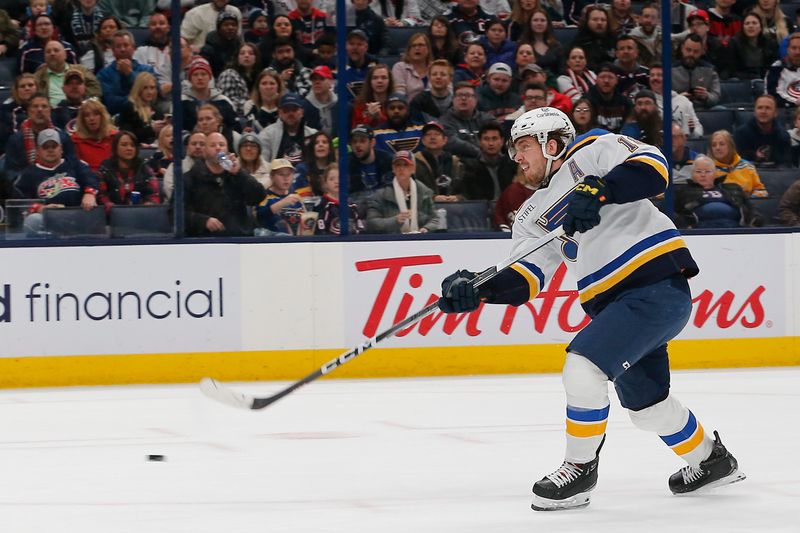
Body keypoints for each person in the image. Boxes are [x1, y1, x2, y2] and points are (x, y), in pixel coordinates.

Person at [437, 106, 745, 511]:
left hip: (655, 286)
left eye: (524, 147)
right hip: (616, 309)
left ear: (551, 143)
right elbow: (526, 277)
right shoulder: (530, 216)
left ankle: (579, 468)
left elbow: (655, 168)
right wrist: (478, 290)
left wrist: (601, 190)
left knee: (582, 367)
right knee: (647, 409)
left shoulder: (592, 150)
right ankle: (710, 460)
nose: (518, 157)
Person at [13, 128, 98, 233]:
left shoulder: (75, 165)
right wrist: (40, 208)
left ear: (61, 149)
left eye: (54, 146)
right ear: (38, 151)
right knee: (33, 220)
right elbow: (20, 199)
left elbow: (91, 179)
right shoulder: (29, 174)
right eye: (45, 147)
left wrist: (89, 193)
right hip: (47, 223)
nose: (50, 150)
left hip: (79, 217)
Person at [183, 131, 266, 237]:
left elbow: (259, 196)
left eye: (221, 145)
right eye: (213, 145)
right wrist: (203, 221)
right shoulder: (190, 178)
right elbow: (175, 213)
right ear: (204, 151)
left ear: (227, 150)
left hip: (239, 238)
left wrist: (239, 173)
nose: (218, 148)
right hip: (204, 239)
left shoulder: (237, 176)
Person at [673, 154, 762, 229]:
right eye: (698, 171)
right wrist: (684, 224)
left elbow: (751, 208)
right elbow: (673, 213)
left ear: (715, 174)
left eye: (707, 171)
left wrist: (755, 220)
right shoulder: (683, 192)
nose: (703, 175)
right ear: (692, 175)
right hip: (699, 230)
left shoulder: (733, 188)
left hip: (735, 229)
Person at [365, 150, 439, 233]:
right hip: (392, 239)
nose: (401, 168)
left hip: (419, 238)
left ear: (413, 169)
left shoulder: (424, 193)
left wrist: (426, 228)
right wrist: (395, 221)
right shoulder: (380, 195)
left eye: (406, 165)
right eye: (398, 165)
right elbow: (371, 224)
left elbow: (435, 219)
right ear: (393, 169)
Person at [96, 130, 160, 213]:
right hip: (112, 215)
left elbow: (153, 194)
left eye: (132, 145)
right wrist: (112, 209)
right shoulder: (105, 168)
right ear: (115, 148)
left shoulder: (144, 167)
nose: (129, 148)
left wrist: (147, 207)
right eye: (124, 145)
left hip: (141, 214)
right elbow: (101, 195)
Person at [96, 30, 158, 116]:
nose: (122, 49)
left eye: (126, 45)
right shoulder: (103, 74)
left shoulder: (147, 70)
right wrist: (139, 99)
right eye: (118, 46)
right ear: (113, 50)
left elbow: (153, 98)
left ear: (133, 48)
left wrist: (129, 74)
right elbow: (110, 103)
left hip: (146, 114)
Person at [460, 121, 516, 201]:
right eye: (486, 139)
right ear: (479, 142)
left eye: (494, 138)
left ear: (502, 141)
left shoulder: (512, 165)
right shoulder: (471, 168)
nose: (491, 143)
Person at [34, 40, 100, 106]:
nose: (52, 53)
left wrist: (82, 103)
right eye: (48, 52)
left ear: (65, 55)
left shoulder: (81, 70)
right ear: (44, 57)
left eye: (56, 50)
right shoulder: (38, 76)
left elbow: (95, 90)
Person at [258, 92, 318, 164]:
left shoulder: (313, 134)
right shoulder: (267, 134)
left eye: (294, 109)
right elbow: (263, 164)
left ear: (302, 112)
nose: (290, 113)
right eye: (286, 110)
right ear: (279, 113)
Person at [440, 82, 495, 159]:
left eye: (468, 95)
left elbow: (497, 139)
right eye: (459, 95)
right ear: (453, 99)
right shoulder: (445, 121)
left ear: (476, 100)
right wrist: (479, 153)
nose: (463, 98)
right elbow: (452, 142)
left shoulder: (487, 119)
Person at [733, 94, 792, 167]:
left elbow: (786, 165)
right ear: (754, 112)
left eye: (768, 108)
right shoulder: (741, 134)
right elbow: (736, 162)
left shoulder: (783, 136)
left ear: (775, 113)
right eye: (760, 108)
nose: (763, 111)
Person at [413, 121, 464, 202]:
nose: (432, 137)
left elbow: (465, 190)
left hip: (453, 206)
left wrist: (458, 197)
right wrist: (432, 198)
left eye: (437, 134)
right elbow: (412, 189)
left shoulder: (455, 162)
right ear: (423, 140)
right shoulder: (414, 162)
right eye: (428, 134)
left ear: (445, 140)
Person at [709, 130, 769, 197]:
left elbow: (762, 191)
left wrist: (749, 198)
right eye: (713, 145)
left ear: (731, 146)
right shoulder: (707, 169)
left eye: (722, 144)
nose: (717, 148)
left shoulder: (747, 166)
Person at [649, 63, 702, 139]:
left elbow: (699, 131)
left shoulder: (684, 101)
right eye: (652, 75)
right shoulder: (646, 102)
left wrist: (692, 131)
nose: (655, 78)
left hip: (683, 143)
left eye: (659, 75)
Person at [255, 158, 306, 234]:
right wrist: (282, 203)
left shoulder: (296, 195)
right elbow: (259, 216)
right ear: (272, 176)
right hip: (271, 238)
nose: (286, 178)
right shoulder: (264, 196)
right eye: (281, 174)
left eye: (289, 174)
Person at [672, 34, 721, 110]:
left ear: (701, 51)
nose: (691, 54)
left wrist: (706, 96)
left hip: (703, 109)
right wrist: (678, 98)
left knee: (719, 108)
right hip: (677, 109)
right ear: (682, 49)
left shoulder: (710, 70)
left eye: (696, 51)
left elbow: (716, 96)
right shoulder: (670, 70)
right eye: (688, 50)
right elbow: (662, 97)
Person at [116, 72, 167, 146]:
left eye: (152, 88)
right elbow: (127, 135)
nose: (149, 92)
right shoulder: (129, 107)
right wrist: (151, 129)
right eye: (145, 88)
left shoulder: (156, 109)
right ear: (138, 89)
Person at [314, 163, 365, 235]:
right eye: (332, 179)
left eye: (340, 178)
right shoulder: (321, 205)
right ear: (325, 183)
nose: (337, 182)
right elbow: (319, 231)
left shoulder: (352, 205)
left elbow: (360, 229)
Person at [71, 97, 117, 172]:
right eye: (87, 115)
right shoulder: (76, 141)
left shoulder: (115, 137)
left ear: (102, 116)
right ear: (82, 120)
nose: (91, 118)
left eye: (96, 114)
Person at [216, 42, 262, 117]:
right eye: (242, 53)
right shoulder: (229, 74)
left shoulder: (257, 77)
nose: (246, 55)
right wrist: (255, 105)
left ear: (256, 58)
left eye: (251, 53)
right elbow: (229, 103)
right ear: (237, 58)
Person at [348, 123, 394, 194]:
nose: (357, 145)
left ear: (372, 142)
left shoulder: (388, 161)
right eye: (354, 141)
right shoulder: (346, 163)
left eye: (362, 141)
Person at [587, 63, 632, 133]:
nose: (606, 81)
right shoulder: (587, 101)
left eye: (610, 77)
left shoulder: (626, 103)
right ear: (596, 80)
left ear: (616, 80)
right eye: (602, 77)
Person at [163, 131, 206, 202]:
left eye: (202, 144)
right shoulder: (175, 166)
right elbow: (170, 190)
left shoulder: (213, 167)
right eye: (194, 144)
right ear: (187, 147)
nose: (198, 147)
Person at [200, 10, 243, 78]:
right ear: (219, 28)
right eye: (226, 25)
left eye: (234, 25)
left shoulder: (240, 46)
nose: (230, 28)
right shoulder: (208, 50)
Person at [391, 32, 433, 102]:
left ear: (428, 49)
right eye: (413, 46)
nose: (417, 48)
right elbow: (399, 94)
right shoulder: (400, 67)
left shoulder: (435, 67)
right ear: (408, 50)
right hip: (407, 106)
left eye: (421, 45)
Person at [243, 68, 285, 133]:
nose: (268, 87)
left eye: (272, 83)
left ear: (278, 87)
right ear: (258, 87)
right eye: (264, 83)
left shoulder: (285, 105)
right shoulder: (250, 104)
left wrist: (273, 105)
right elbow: (250, 127)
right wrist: (265, 105)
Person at [766, 32, 800, 108]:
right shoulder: (776, 68)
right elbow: (772, 96)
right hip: (785, 110)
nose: (797, 52)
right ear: (787, 49)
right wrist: (795, 103)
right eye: (794, 48)